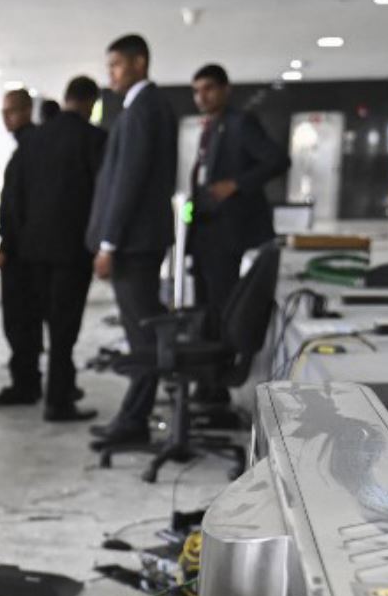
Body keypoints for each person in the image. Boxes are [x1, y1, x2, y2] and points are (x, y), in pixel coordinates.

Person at [0, 75, 107, 420]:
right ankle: (58, 401)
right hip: (73, 251)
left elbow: (13, 198)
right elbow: (103, 196)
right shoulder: (95, 139)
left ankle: (47, 388)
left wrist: (10, 242)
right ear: (90, 103)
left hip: (33, 251)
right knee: (64, 329)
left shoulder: (34, 140)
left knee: (37, 323)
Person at [86, 34, 178, 450]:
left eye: (116, 66)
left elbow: (128, 183)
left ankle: (133, 420)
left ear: (140, 63)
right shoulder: (146, 107)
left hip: (133, 243)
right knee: (140, 333)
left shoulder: (142, 110)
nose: (111, 75)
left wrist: (108, 244)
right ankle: (132, 414)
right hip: (139, 240)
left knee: (142, 336)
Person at [186, 62, 289, 403]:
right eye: (197, 90)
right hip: (205, 233)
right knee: (205, 309)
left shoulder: (240, 123)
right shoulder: (210, 127)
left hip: (228, 234)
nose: (202, 96)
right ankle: (205, 380)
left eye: (209, 89)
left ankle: (217, 385)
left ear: (225, 89)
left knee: (221, 308)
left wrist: (236, 184)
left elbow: (276, 159)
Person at [0, 87, 40, 403]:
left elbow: (19, 207)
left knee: (20, 320)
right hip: (29, 248)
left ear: (26, 111)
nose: (6, 118)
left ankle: (25, 384)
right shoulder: (28, 147)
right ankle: (27, 380)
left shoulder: (30, 150)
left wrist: (6, 247)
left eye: (11, 111)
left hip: (23, 252)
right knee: (25, 322)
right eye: (4, 112)